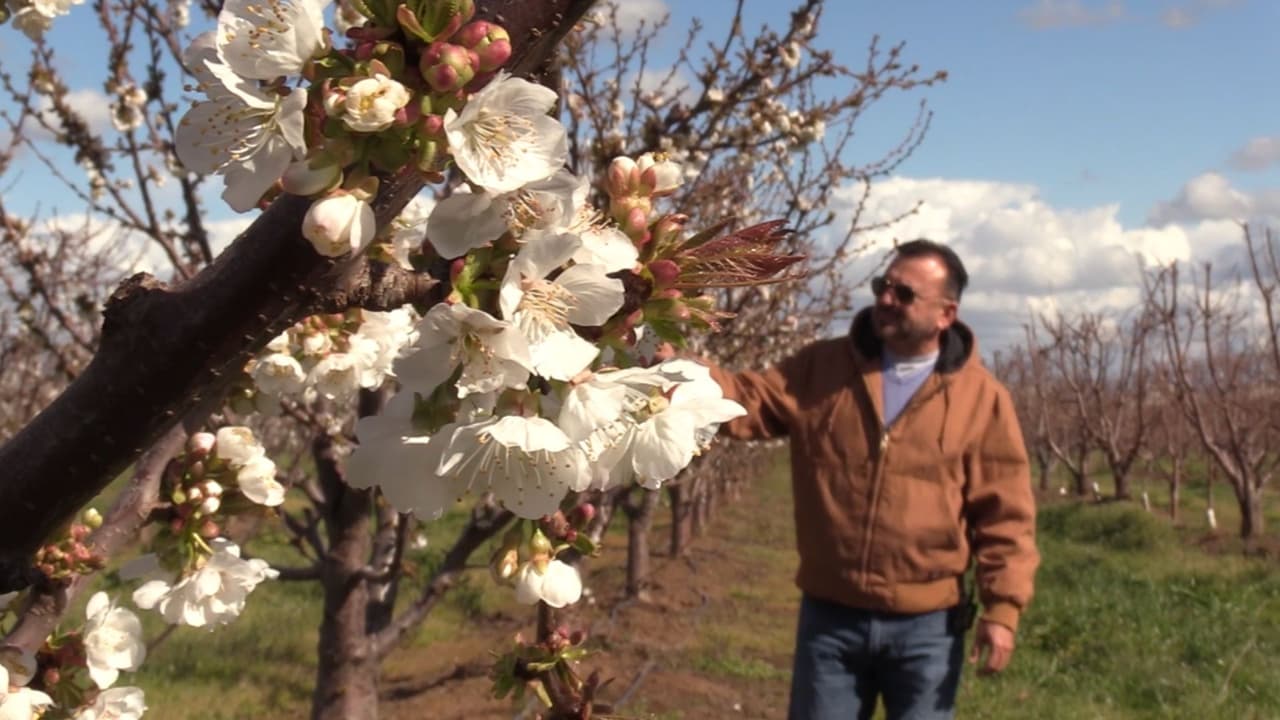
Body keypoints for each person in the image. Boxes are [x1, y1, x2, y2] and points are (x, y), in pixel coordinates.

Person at [708, 239, 1039, 720]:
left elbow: (1006, 514)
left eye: (904, 294)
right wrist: (677, 374)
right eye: (884, 285)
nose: (886, 298)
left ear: (946, 314)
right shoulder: (823, 368)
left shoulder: (983, 400)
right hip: (831, 617)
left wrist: (1002, 609)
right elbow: (749, 400)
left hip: (928, 627)